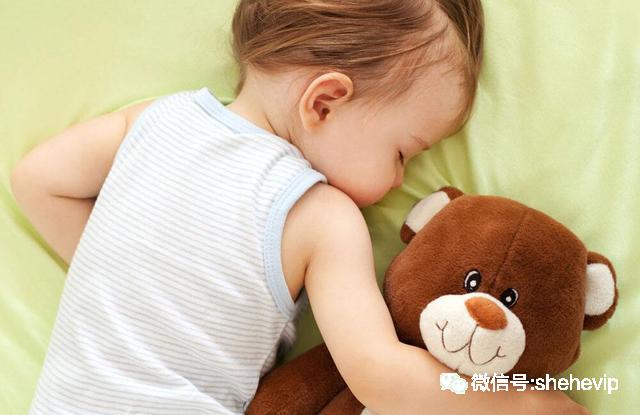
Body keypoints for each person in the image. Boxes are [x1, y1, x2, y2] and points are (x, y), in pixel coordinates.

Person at [11, 0, 588, 414]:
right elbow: (382, 378)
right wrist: (526, 402)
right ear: (326, 101)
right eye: (403, 152)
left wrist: (117, 276)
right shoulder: (319, 216)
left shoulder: (154, 120)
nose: (399, 181)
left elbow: (35, 182)